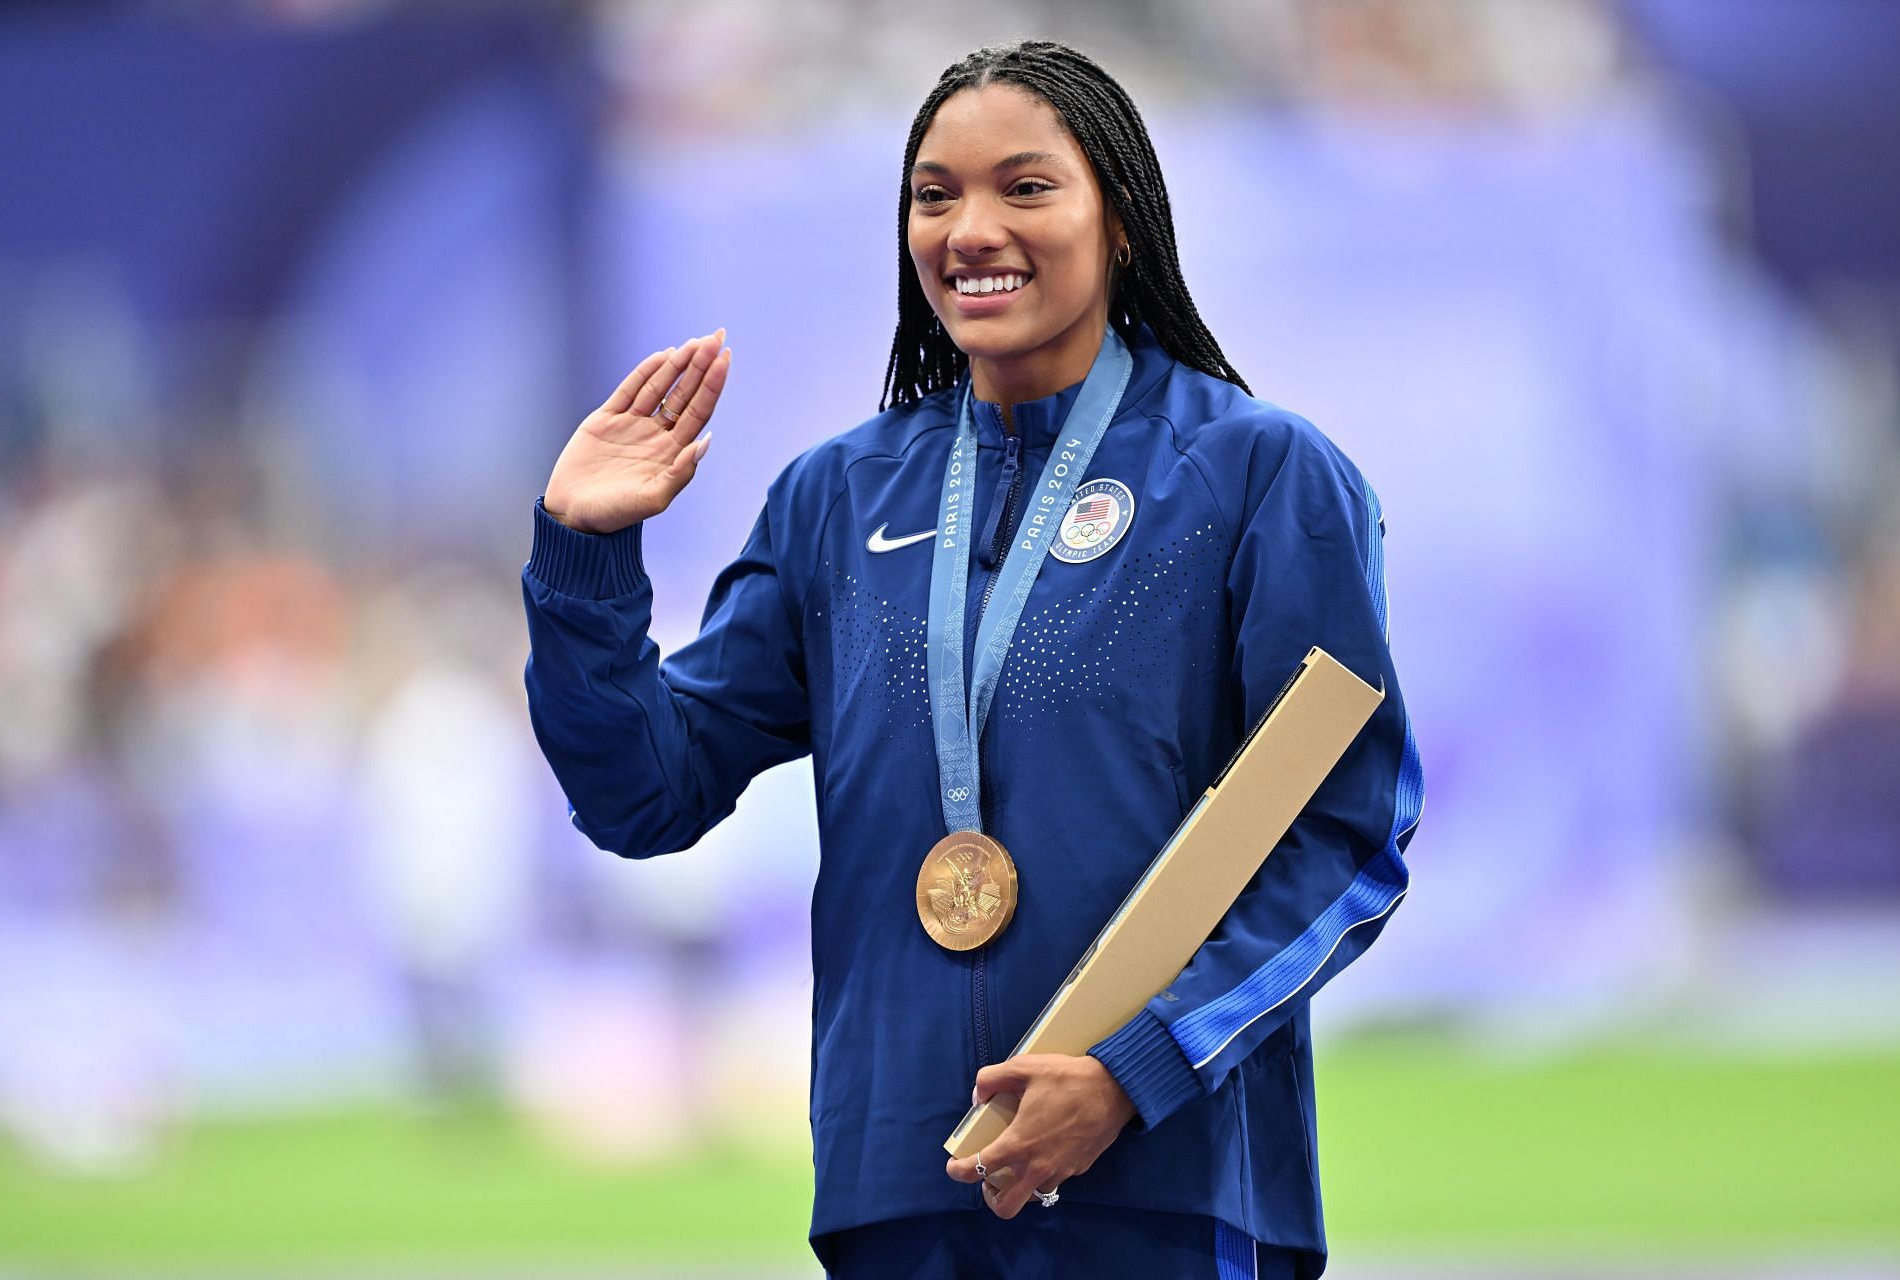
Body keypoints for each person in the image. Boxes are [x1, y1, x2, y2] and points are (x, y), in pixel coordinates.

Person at [522, 39, 1421, 1280]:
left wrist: (1135, 1067)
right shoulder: (840, 496)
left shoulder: (1258, 473)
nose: (971, 227)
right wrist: (585, 557)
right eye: (934, 194)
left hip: (1170, 1182)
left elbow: (1340, 834)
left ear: (1120, 218)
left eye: (1026, 186)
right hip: (900, 1182)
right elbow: (643, 793)